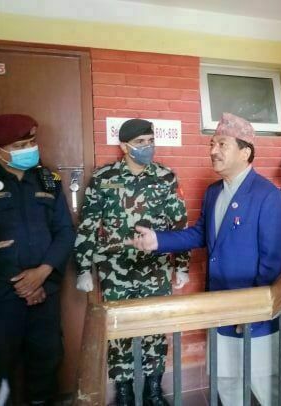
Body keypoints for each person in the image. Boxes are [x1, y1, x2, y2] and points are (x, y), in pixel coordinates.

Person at [129, 113, 281, 406]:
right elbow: (201, 233)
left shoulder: (269, 196)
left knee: (267, 388)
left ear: (245, 152)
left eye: (222, 144)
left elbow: (273, 264)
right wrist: (158, 241)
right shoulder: (214, 192)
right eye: (212, 144)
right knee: (226, 384)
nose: (213, 151)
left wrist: (251, 312)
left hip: (254, 317)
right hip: (219, 309)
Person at [74, 118, 190, 406]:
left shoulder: (165, 176)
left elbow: (179, 224)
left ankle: (154, 390)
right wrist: (84, 267)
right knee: (118, 331)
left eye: (150, 141)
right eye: (140, 142)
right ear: (124, 146)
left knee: (156, 328)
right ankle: (124, 392)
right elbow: (89, 224)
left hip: (155, 267)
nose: (147, 147)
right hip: (116, 268)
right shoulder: (104, 177)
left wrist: (182, 266)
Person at [0, 114, 76, 405]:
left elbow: (65, 231)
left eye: (31, 142)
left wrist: (41, 274)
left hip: (46, 290)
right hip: (2, 295)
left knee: (47, 358)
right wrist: (21, 282)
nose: (29, 149)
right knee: (1, 365)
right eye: (20, 146)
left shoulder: (47, 179)